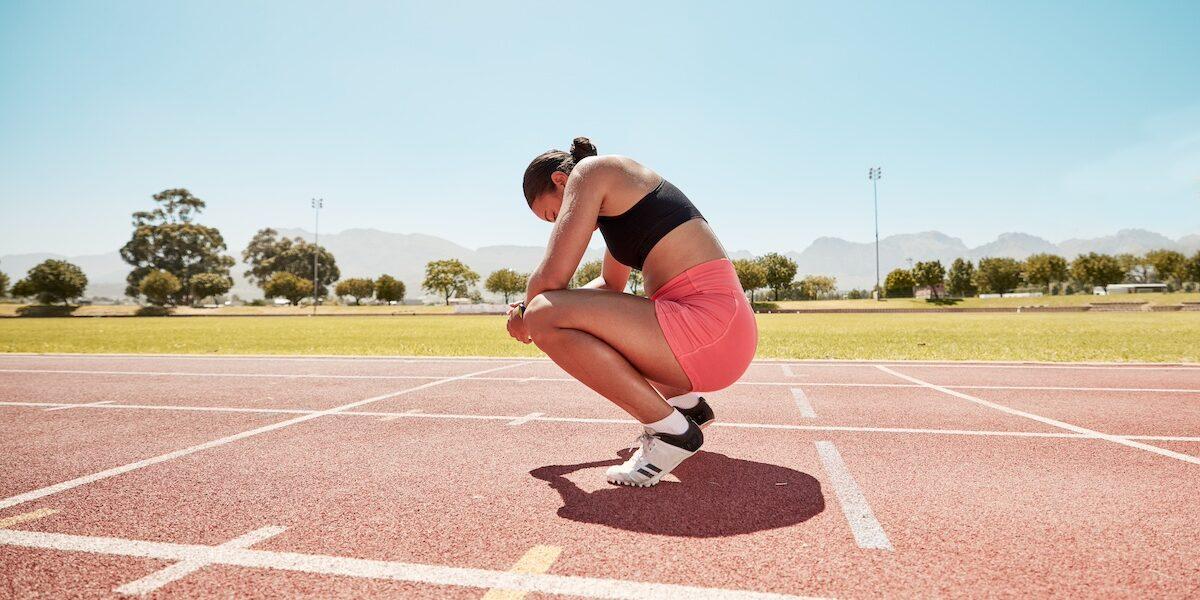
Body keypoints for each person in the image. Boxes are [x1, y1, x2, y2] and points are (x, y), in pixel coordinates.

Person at [507, 137, 758, 487]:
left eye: (553, 214)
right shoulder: (616, 204)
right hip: (718, 334)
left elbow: (551, 278)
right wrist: (540, 308)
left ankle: (672, 433)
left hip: (708, 327)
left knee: (541, 314)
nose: (558, 223)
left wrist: (524, 312)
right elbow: (610, 286)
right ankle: (686, 408)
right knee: (548, 311)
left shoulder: (594, 172)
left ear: (561, 182)